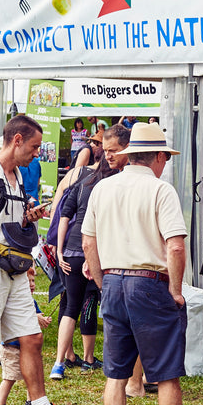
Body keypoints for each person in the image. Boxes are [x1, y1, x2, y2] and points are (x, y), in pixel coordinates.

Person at [82, 123, 203, 405]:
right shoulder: (160, 190)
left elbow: (88, 243)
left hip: (112, 281)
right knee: (166, 372)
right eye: (164, 158)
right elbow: (176, 245)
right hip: (149, 282)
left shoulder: (103, 187)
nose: (165, 164)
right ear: (156, 157)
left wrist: (100, 280)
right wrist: (175, 289)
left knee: (115, 373)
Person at [0, 114, 88, 405]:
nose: (36, 153)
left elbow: (6, 225)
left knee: (32, 337)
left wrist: (28, 217)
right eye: (34, 146)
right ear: (16, 140)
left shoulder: (15, 176)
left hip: (14, 271)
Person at [51, 124, 131, 380]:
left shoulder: (82, 181)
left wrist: (60, 251)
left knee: (70, 306)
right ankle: (89, 358)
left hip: (72, 250)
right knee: (91, 303)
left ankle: (58, 362)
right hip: (94, 250)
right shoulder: (112, 184)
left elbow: (64, 215)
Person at [0, 271, 52, 405]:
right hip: (11, 347)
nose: (32, 285)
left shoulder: (31, 302)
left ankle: (31, 399)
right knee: (10, 377)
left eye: (33, 281)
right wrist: (35, 316)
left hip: (26, 347)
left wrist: (42, 320)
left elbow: (34, 321)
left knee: (30, 373)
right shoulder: (11, 301)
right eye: (28, 281)